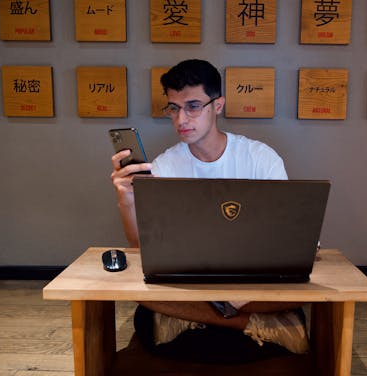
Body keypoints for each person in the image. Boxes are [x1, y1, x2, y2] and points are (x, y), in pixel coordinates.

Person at [110, 59, 308, 361]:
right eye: (173, 108)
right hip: (190, 278)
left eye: (193, 106)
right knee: (141, 295)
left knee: (296, 291)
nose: (181, 119)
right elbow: (139, 246)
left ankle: (198, 319)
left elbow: (285, 235)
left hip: (249, 277)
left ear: (218, 105)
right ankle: (248, 324)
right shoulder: (163, 166)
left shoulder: (260, 158)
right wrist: (126, 199)